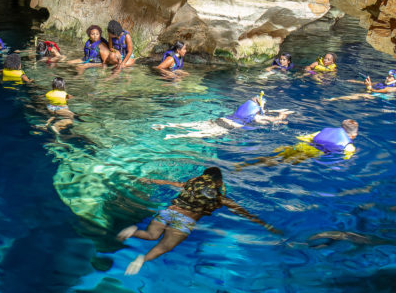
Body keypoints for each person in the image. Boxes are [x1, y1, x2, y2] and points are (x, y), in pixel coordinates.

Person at [116, 166, 279, 275]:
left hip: (168, 212)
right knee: (164, 246)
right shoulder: (221, 198)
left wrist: (148, 180)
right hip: (185, 221)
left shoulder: (190, 184)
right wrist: (265, 224)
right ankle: (142, 259)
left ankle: (134, 232)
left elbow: (168, 182)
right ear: (219, 182)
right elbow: (243, 212)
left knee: (151, 235)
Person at [154, 91, 293, 139]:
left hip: (220, 120)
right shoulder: (257, 116)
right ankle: (174, 135)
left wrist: (270, 112)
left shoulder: (245, 106)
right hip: (226, 127)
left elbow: (260, 112)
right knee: (198, 134)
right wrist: (281, 116)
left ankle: (167, 125)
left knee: (193, 125)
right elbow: (272, 120)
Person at [326, 70, 396, 102]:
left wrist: (369, 88)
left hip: (380, 95)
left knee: (362, 95)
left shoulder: (394, 88)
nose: (386, 77)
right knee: (361, 91)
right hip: (373, 91)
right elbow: (373, 84)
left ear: (395, 80)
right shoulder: (385, 83)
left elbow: (377, 91)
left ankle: (333, 99)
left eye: (389, 77)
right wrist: (354, 81)